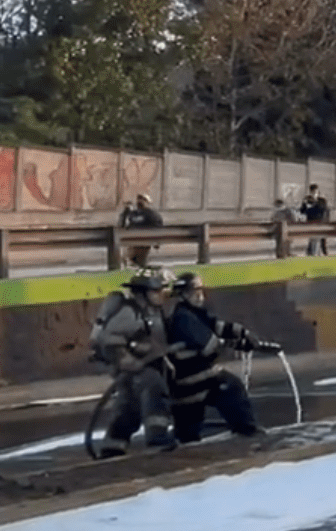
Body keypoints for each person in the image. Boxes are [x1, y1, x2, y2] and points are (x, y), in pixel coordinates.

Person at [166, 272, 278, 444]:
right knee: (232, 388)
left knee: (187, 430)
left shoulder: (190, 313)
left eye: (200, 291)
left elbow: (215, 325)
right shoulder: (184, 318)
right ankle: (247, 431)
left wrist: (242, 332)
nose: (200, 296)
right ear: (183, 294)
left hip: (184, 385)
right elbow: (210, 346)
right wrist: (239, 344)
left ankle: (185, 441)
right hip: (195, 378)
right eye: (195, 292)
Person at [90, 266, 181, 456]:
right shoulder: (130, 311)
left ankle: (113, 446)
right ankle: (158, 438)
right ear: (143, 292)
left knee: (129, 408)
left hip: (139, 367)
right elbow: (109, 339)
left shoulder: (150, 310)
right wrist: (128, 362)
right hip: (138, 368)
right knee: (156, 393)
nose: (160, 295)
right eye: (156, 291)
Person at [119, 193, 164, 267]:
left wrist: (156, 242)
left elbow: (158, 226)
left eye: (143, 200)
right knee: (127, 259)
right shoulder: (133, 213)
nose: (140, 202)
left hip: (144, 242)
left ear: (147, 202)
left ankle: (142, 272)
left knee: (139, 261)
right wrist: (125, 212)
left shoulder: (152, 214)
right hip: (132, 241)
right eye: (139, 199)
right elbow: (124, 225)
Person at [300, 184, 331, 256]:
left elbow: (324, 210)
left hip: (321, 222)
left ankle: (323, 252)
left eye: (316, 192)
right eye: (313, 192)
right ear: (310, 192)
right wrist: (305, 204)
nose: (314, 193)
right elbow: (302, 211)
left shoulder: (322, 200)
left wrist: (314, 204)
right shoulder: (307, 200)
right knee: (313, 239)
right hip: (311, 222)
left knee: (322, 239)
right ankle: (311, 252)